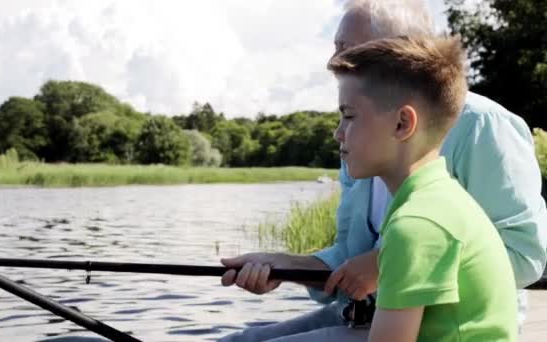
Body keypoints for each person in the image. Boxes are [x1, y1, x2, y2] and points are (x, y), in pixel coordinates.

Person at [218, 0, 547, 340]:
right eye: (335, 49)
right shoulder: (366, 136)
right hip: (369, 312)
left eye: (348, 50)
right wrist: (284, 265)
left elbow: (526, 255)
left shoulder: (482, 127)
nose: (333, 62)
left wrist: (387, 263)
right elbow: (349, 259)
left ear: (404, 54)